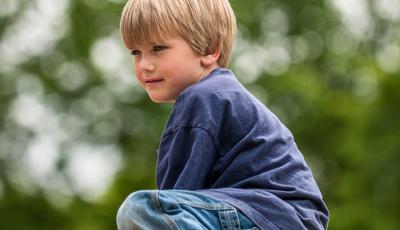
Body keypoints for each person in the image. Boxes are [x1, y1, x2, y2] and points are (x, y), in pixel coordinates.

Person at [116, 0, 329, 229]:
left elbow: (171, 201)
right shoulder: (223, 94)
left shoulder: (202, 98)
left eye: (158, 49)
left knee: (141, 208)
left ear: (209, 50)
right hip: (289, 217)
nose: (145, 65)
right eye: (136, 52)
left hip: (269, 214)